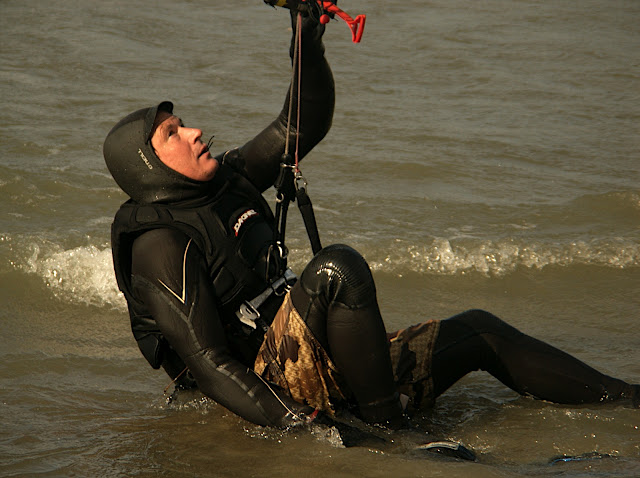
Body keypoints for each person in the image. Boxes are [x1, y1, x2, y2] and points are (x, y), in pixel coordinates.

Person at [103, 10, 638, 432]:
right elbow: (210, 364)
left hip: (321, 362)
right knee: (336, 269)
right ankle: (392, 434)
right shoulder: (159, 245)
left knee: (479, 331)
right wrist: (302, 425)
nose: (193, 132)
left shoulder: (229, 180)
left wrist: (307, 41)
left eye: (183, 123)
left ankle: (626, 398)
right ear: (147, 166)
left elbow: (301, 123)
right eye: (172, 133)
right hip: (271, 387)